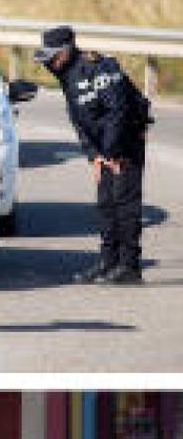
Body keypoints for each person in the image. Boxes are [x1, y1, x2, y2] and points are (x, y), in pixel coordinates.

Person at [36, 25, 153, 284]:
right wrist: (95, 155)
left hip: (125, 143)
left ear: (65, 51)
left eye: (52, 57)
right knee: (105, 205)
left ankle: (129, 267)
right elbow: (80, 120)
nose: (50, 64)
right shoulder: (66, 74)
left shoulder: (98, 67)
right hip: (104, 148)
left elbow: (118, 111)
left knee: (125, 205)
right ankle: (109, 262)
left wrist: (112, 151)